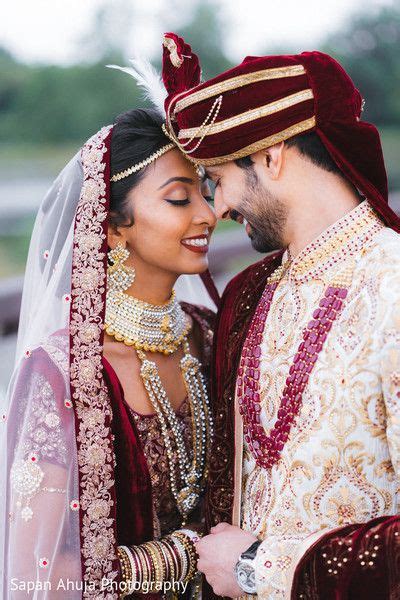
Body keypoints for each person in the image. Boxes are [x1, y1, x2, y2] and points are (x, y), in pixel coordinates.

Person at [160, 33, 400, 598]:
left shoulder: (393, 285)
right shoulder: (251, 294)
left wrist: (259, 569)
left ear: (273, 154)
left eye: (218, 181)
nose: (216, 209)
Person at [0, 96, 220, 598]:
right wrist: (186, 555)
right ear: (113, 226)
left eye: (207, 193)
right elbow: (36, 573)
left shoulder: (210, 336)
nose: (209, 214)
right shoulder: (62, 370)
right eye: (180, 199)